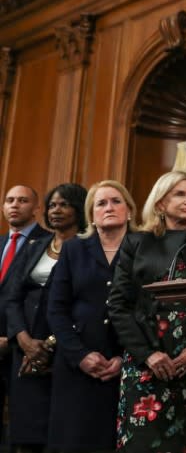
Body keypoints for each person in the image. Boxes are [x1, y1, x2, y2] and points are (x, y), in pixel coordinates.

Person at [108, 171, 186, 452]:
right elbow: (118, 304)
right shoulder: (137, 242)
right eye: (180, 194)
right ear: (160, 203)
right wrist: (148, 354)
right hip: (145, 362)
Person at [46, 180, 137, 452]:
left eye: (116, 201)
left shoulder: (143, 249)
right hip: (76, 365)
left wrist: (126, 356)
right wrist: (80, 355)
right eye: (101, 203)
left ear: (129, 211)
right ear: (91, 216)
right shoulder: (73, 249)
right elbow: (56, 309)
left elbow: (149, 309)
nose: (109, 207)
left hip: (127, 366)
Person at [5, 183, 88, 452]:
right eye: (52, 204)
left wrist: (49, 344)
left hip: (63, 351)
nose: (56, 210)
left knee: (57, 435)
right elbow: (13, 297)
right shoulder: (34, 245)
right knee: (24, 434)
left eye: (64, 204)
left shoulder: (88, 248)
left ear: (78, 208)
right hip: (25, 349)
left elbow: (85, 303)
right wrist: (24, 339)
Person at [0, 185, 49, 445]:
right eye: (9, 200)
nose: (14, 205)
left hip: (24, 345)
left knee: (22, 429)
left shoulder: (49, 241)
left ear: (37, 208)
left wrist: (10, 338)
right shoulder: (0, 243)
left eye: (22, 200)